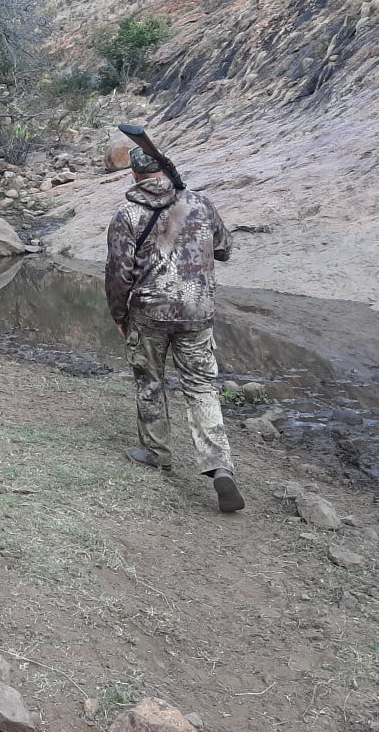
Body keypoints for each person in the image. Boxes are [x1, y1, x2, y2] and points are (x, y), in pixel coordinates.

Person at [104, 146, 243, 513]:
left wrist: (119, 316)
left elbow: (119, 274)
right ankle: (218, 465)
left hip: (149, 313)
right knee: (201, 388)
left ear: (134, 175)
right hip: (198, 313)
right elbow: (225, 250)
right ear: (167, 169)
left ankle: (157, 454)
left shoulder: (128, 213)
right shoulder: (201, 203)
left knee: (150, 382)